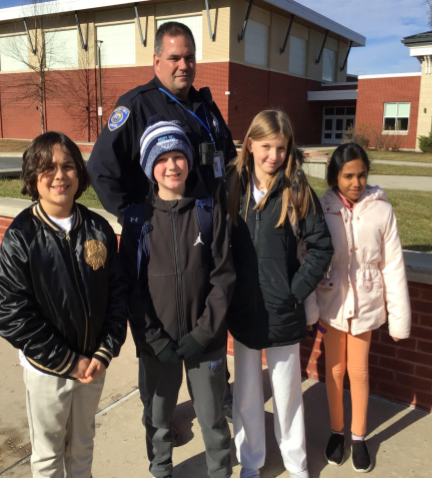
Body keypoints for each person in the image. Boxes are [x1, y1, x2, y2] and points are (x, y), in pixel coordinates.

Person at [0, 132, 130, 478]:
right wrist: (69, 361)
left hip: (93, 368)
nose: (59, 175)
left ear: (80, 174)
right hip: (47, 369)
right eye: (48, 168)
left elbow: (117, 297)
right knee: (49, 455)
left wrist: (103, 353)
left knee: (83, 446)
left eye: (68, 166)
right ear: (31, 176)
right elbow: (13, 315)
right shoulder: (21, 235)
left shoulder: (97, 229)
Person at [221, 110, 332, 478]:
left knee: (287, 393)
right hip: (244, 310)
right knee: (247, 392)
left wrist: (295, 291)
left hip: (283, 309)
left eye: (281, 148)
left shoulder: (296, 190)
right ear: (249, 144)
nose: (273, 155)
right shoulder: (231, 186)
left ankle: (295, 462)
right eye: (266, 146)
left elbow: (321, 247)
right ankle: (250, 460)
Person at [131, 121, 239, 478]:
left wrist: (204, 333)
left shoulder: (208, 213)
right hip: (157, 346)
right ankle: (161, 471)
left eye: (179, 156)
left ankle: (219, 472)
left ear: (190, 162)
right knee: (159, 420)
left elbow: (223, 277)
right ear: (150, 167)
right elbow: (133, 290)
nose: (172, 165)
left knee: (212, 420)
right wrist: (154, 339)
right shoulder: (139, 221)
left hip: (204, 344)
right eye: (162, 158)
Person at [89, 20, 239, 268]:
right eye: (175, 58)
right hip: (165, 236)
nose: (184, 66)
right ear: (157, 61)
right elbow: (100, 169)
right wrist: (134, 217)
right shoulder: (136, 105)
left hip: (211, 231)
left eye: (189, 57)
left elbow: (230, 160)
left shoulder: (206, 106)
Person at [312, 142, 411, 473]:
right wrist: (311, 307)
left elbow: (393, 266)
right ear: (334, 176)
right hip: (332, 306)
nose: (356, 183)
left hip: (366, 305)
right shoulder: (322, 209)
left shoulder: (382, 211)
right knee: (334, 371)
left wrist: (399, 319)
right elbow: (307, 257)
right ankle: (337, 432)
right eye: (348, 176)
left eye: (362, 175)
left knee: (359, 371)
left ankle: (358, 437)